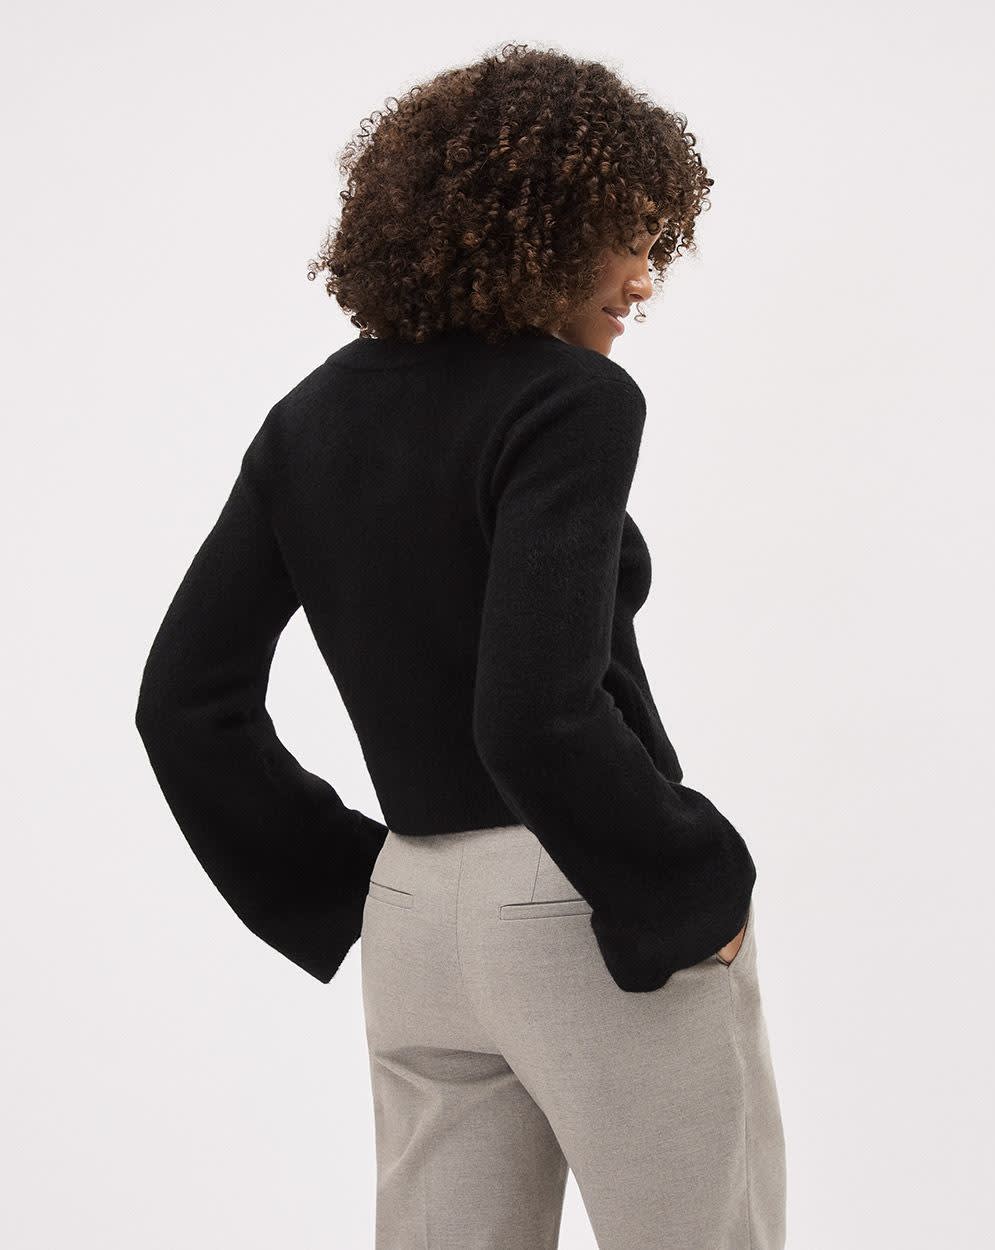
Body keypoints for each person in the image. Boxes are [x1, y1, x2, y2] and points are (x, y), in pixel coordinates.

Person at [135, 41, 786, 1250]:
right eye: (626, 236)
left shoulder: (310, 416)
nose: (643, 278)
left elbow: (183, 703)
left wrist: (353, 880)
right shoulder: (571, 399)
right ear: (543, 228)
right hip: (589, 899)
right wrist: (690, 880)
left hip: (416, 920)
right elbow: (533, 710)